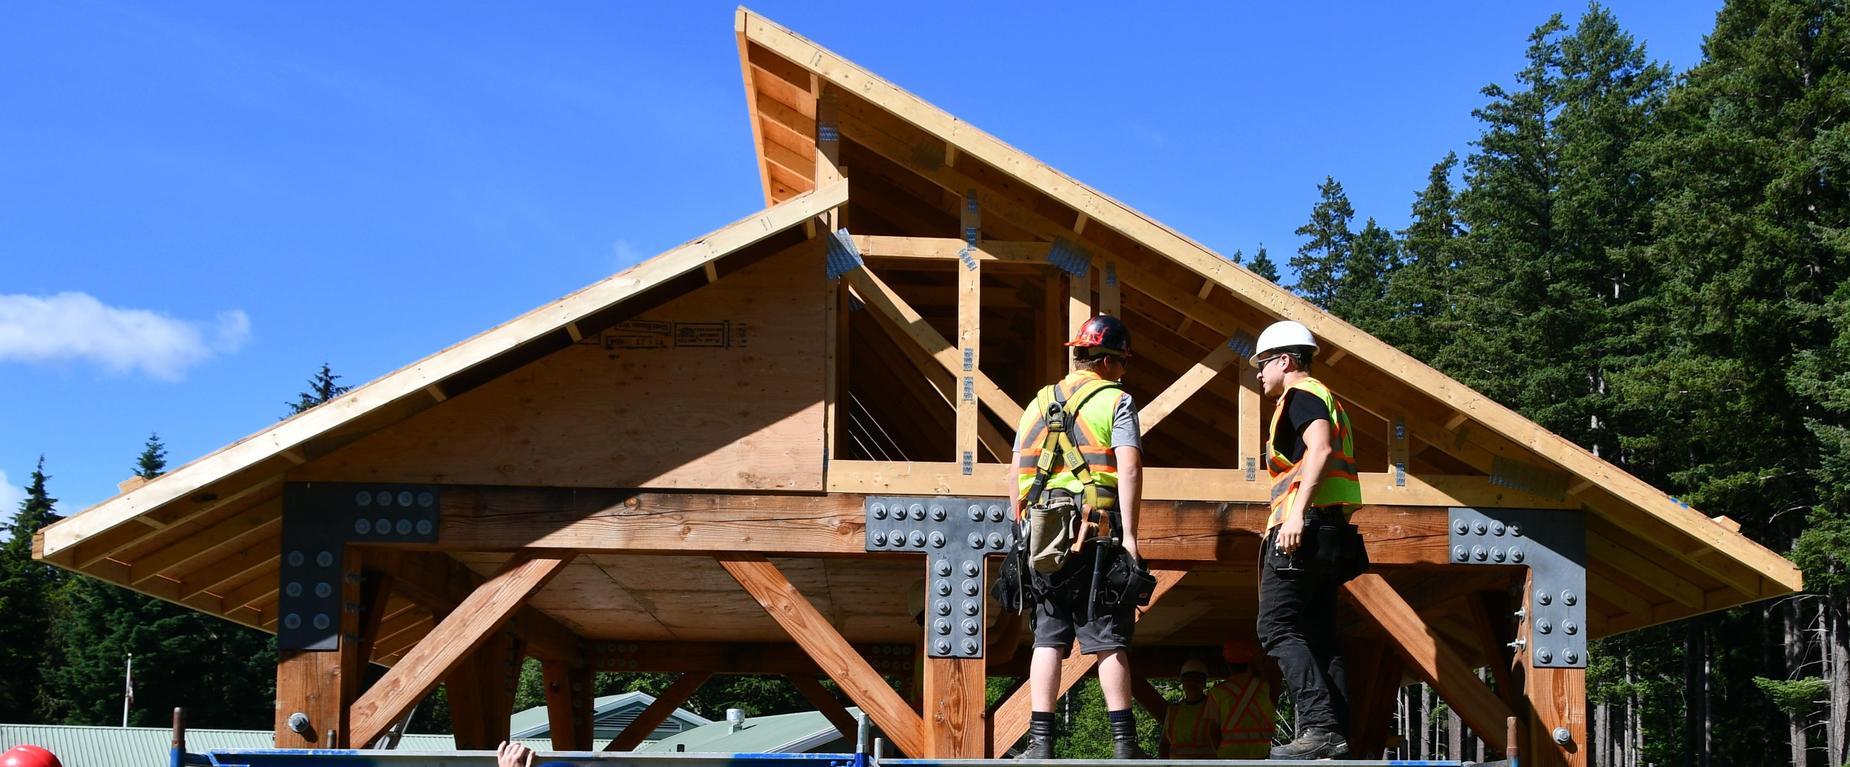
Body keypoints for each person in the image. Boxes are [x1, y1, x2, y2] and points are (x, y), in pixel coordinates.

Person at [1009, 314, 1145, 759]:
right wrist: (1132, 537)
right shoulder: (1116, 401)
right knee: (1108, 638)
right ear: (1107, 361)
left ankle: (1040, 744)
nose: (1123, 372)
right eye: (1122, 363)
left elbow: (1016, 474)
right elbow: (1128, 467)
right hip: (1097, 536)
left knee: (1047, 637)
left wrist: (1022, 530)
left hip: (1043, 537)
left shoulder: (1036, 404)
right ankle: (1125, 747)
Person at [1250, 319, 1364, 760]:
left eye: (1263, 364)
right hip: (1328, 530)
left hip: (1305, 527)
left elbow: (1318, 450)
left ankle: (1319, 727)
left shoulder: (1302, 395)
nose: (1259, 373)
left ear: (1285, 360)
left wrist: (1296, 514)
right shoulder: (1325, 397)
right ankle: (1336, 734)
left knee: (1275, 627)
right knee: (1319, 634)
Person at [1206, 637, 1275, 759]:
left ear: (1227, 662)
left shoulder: (1218, 692)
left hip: (1228, 757)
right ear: (1250, 661)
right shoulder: (1264, 687)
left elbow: (1213, 731)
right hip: (1260, 756)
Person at [1160, 658, 1218, 759]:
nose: (1193, 682)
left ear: (1204, 683)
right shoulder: (1173, 710)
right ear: (1183, 682)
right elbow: (1164, 744)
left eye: (1197, 679)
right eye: (1189, 679)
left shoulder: (1214, 708)